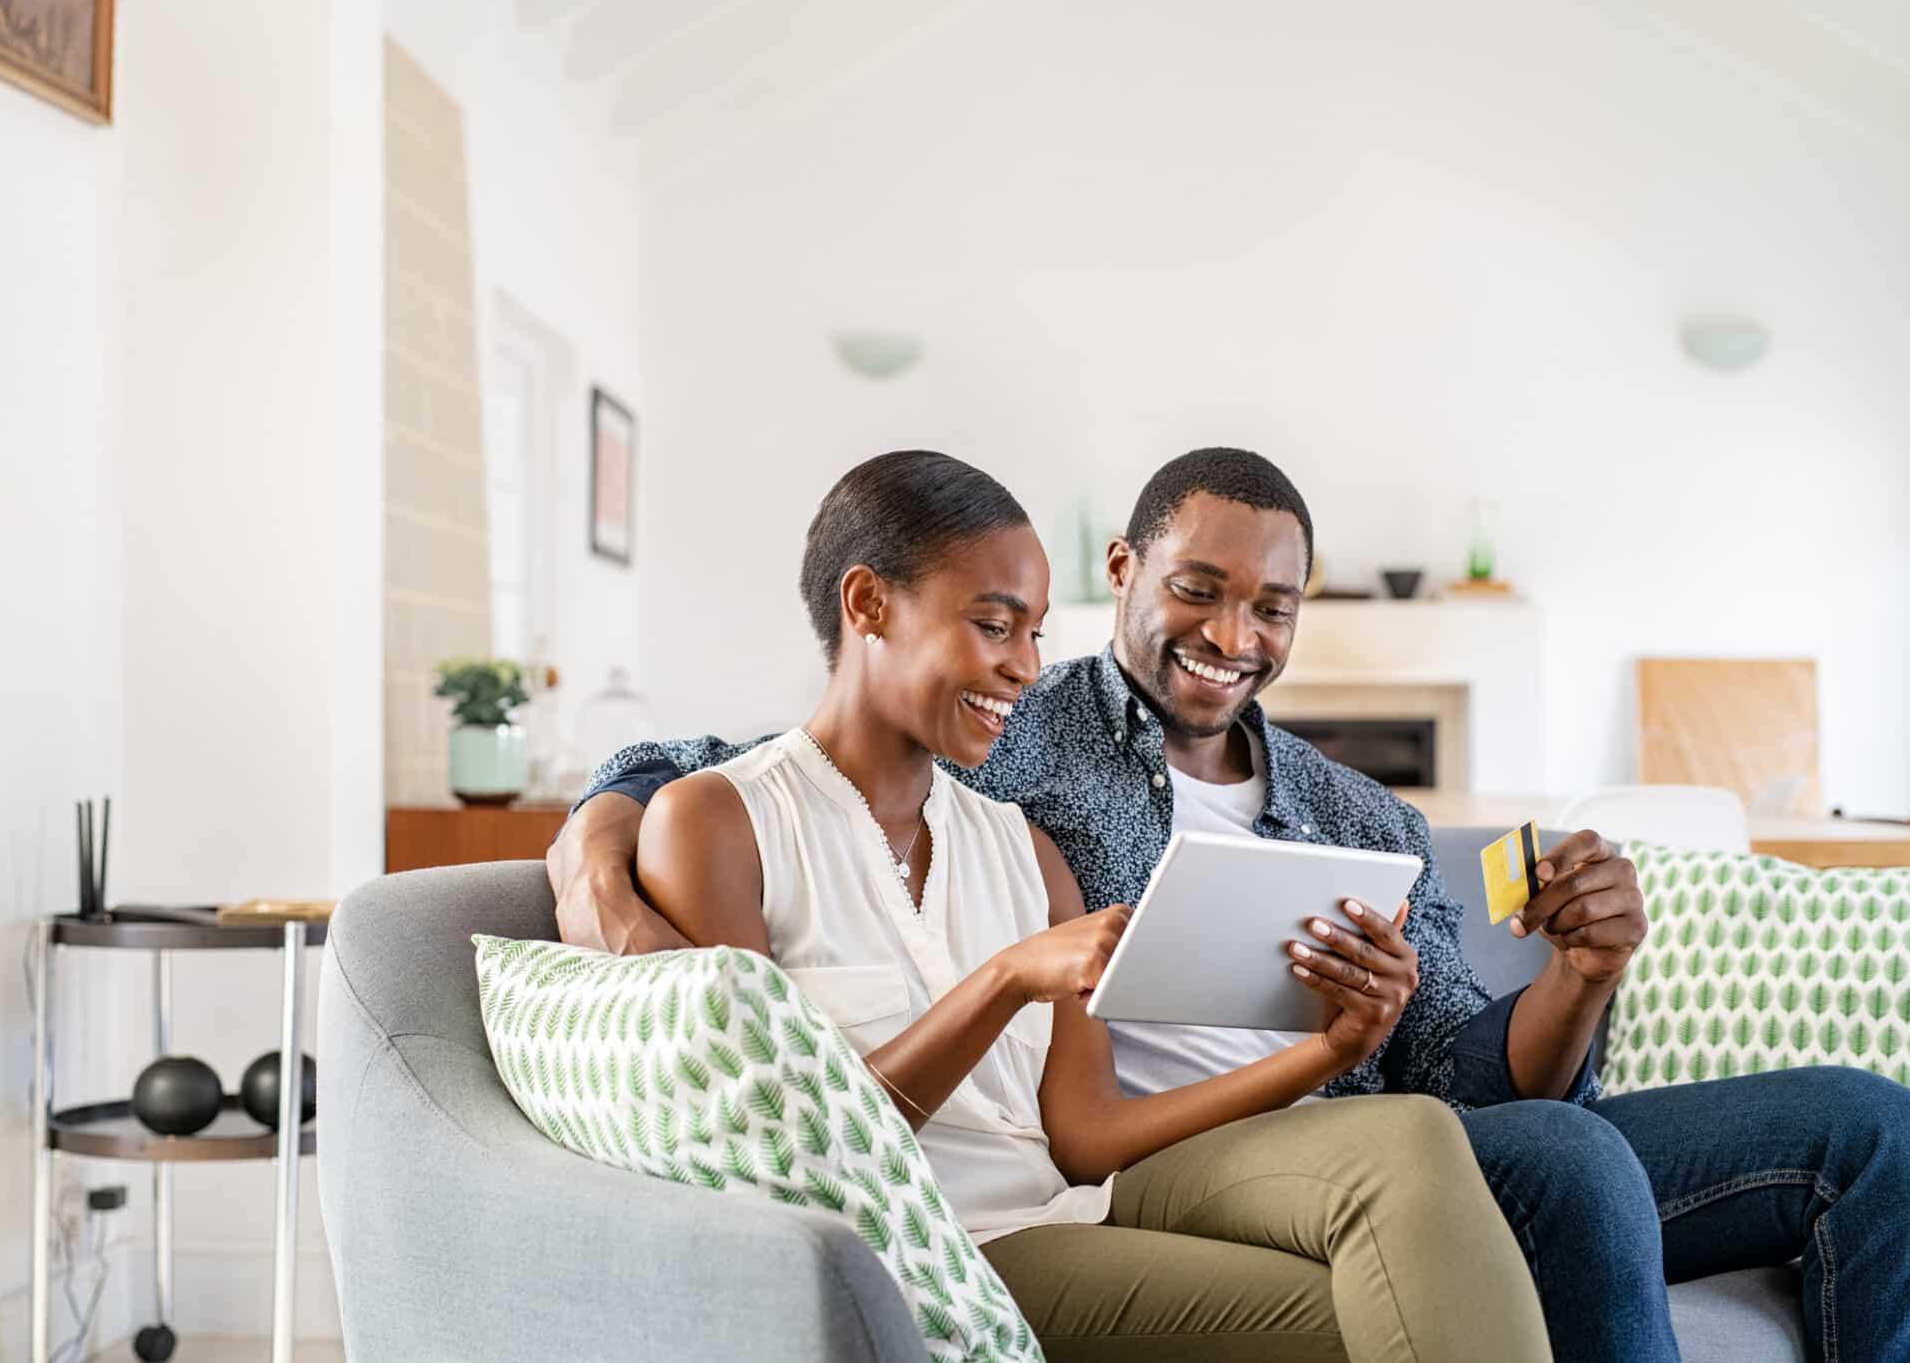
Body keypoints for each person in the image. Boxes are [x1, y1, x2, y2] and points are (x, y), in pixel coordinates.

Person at [551, 446, 1910, 1363]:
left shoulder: (1356, 813)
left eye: (1273, 605)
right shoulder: (1031, 736)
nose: (1232, 635)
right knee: (1559, 1162)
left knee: (1867, 1130)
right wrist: (601, 839)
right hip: (1166, 1169)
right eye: (1198, 589)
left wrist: (1580, 972)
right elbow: (745, 759)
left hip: (1370, 1133)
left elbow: (1461, 1072)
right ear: (1125, 578)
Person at [624, 449, 1551, 1362]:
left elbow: (1085, 1138)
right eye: (994, 626)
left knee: (1417, 1157)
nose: (1027, 667)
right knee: (1382, 1310)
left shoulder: (1022, 849)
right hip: (937, 1256)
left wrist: (1331, 1048)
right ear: (868, 604)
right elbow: (786, 1153)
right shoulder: (717, 823)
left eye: (1033, 632)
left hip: (1071, 1207)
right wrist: (1004, 979)